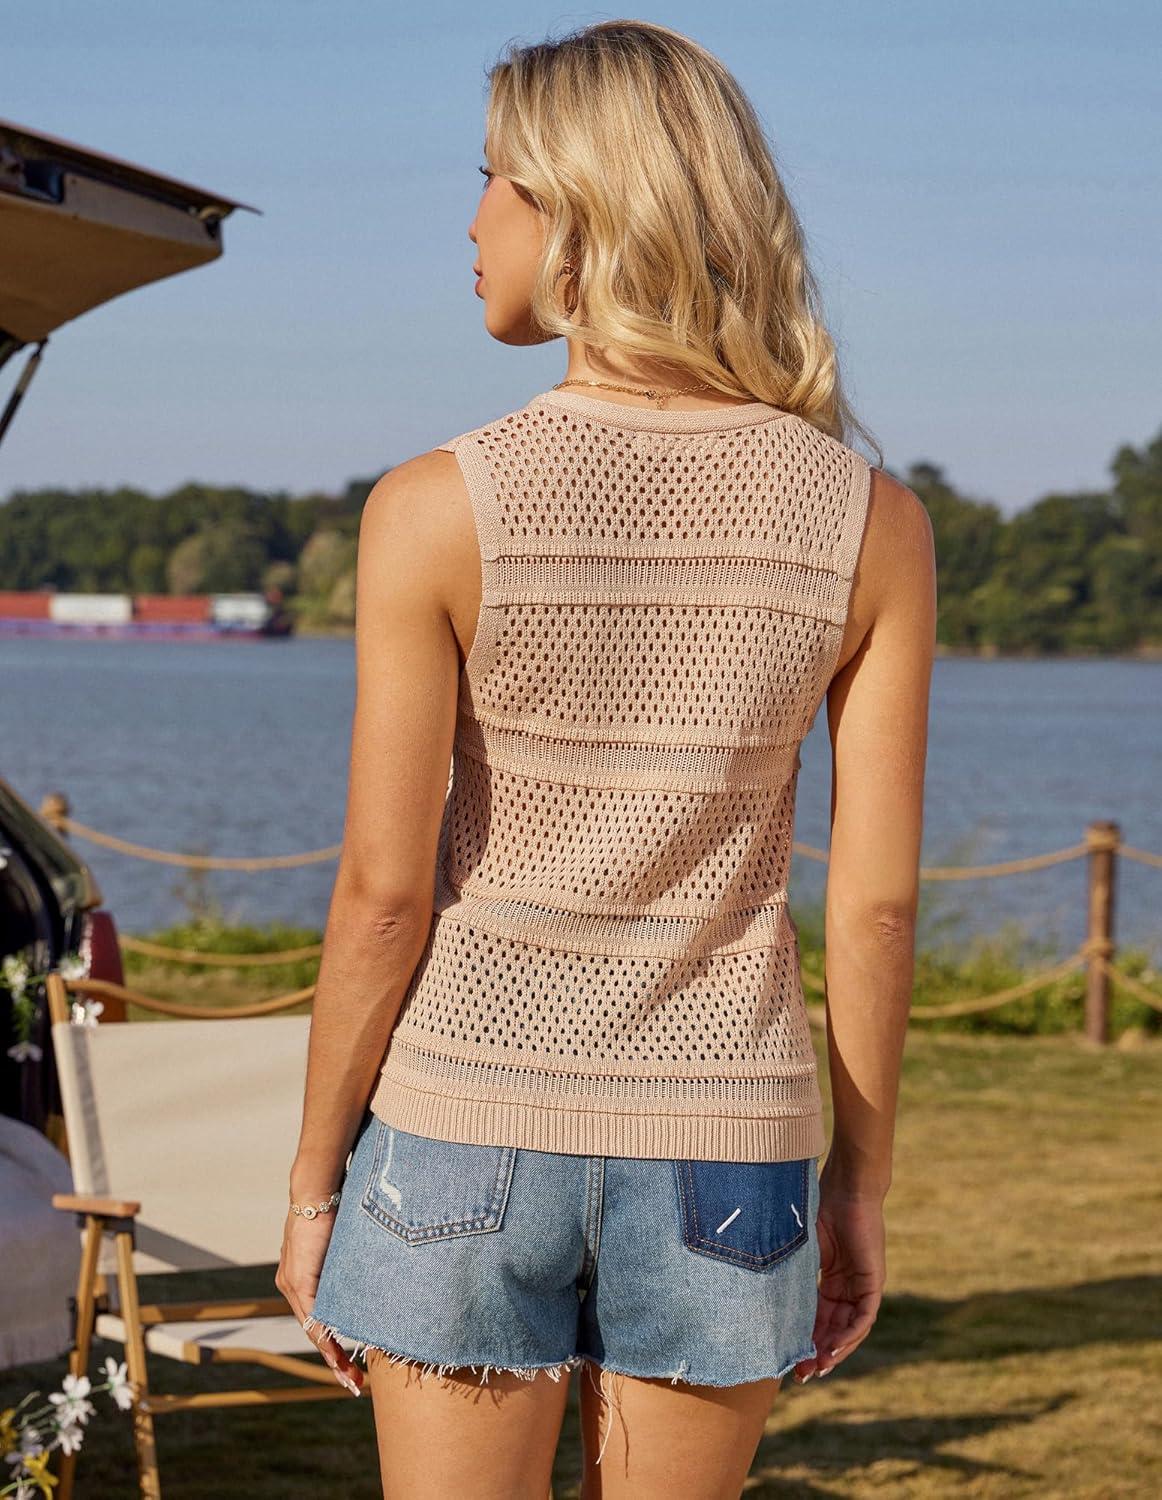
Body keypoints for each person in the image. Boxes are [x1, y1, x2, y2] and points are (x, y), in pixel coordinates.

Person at [276, 18, 935, 1499]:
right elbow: (879, 905)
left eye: (493, 180)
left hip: (461, 1116)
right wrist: (861, 1181)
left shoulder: (432, 508)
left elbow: (383, 896)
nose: (470, 221)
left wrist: (315, 1182)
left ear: (578, 210)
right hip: (729, 1136)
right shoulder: (871, 523)